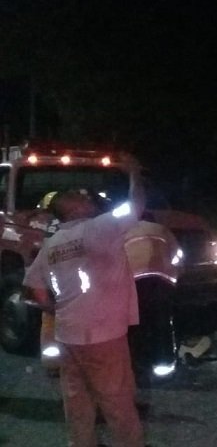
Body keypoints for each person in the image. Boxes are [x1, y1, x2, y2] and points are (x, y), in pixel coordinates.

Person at [24, 175, 146, 447]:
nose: (87, 198)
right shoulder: (99, 228)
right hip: (103, 334)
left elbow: (34, 287)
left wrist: (54, 308)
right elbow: (136, 205)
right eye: (79, 197)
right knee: (116, 400)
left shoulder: (51, 245)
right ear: (72, 209)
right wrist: (135, 174)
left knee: (77, 401)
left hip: (68, 335)